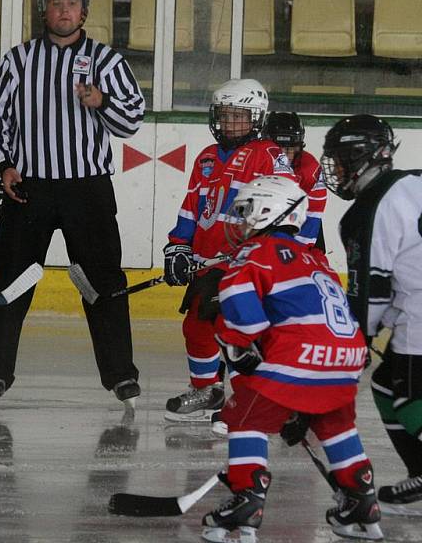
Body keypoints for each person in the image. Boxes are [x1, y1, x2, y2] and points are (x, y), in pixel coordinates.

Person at [0, 0, 144, 409]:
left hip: (87, 190)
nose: (64, 10)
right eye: (56, 3)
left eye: (72, 3)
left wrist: (102, 102)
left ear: (84, 12)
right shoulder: (18, 60)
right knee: (10, 280)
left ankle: (121, 376)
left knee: (104, 282)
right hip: (29, 188)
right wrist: (5, 166)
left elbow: (131, 122)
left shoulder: (107, 61)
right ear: (44, 10)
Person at [202, 175, 382, 543]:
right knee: (335, 425)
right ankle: (361, 499)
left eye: (247, 211)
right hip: (346, 358)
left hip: (298, 358)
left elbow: (245, 318)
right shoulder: (315, 257)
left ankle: (247, 500)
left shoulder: (255, 252)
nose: (241, 220)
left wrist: (231, 338)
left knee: (246, 418)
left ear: (269, 210)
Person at [162, 78, 294, 423]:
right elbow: (193, 207)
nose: (229, 122)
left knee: (235, 331)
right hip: (207, 263)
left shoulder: (269, 155)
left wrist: (256, 249)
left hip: (244, 264)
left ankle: (245, 406)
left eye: (239, 115)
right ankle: (209, 393)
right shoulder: (207, 156)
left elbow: (286, 203)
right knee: (196, 328)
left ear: (258, 118)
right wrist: (178, 246)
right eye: (224, 115)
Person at [322, 114, 422, 516]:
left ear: (366, 157)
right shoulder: (414, 179)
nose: (339, 170)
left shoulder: (366, 211)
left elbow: (370, 289)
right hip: (414, 306)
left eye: (343, 160)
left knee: (410, 393)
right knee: (385, 383)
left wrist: (357, 340)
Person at [262, 111, 327, 249]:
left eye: (291, 148)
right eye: (280, 148)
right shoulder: (256, 158)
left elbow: (311, 218)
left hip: (298, 231)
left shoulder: (310, 169)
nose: (285, 155)